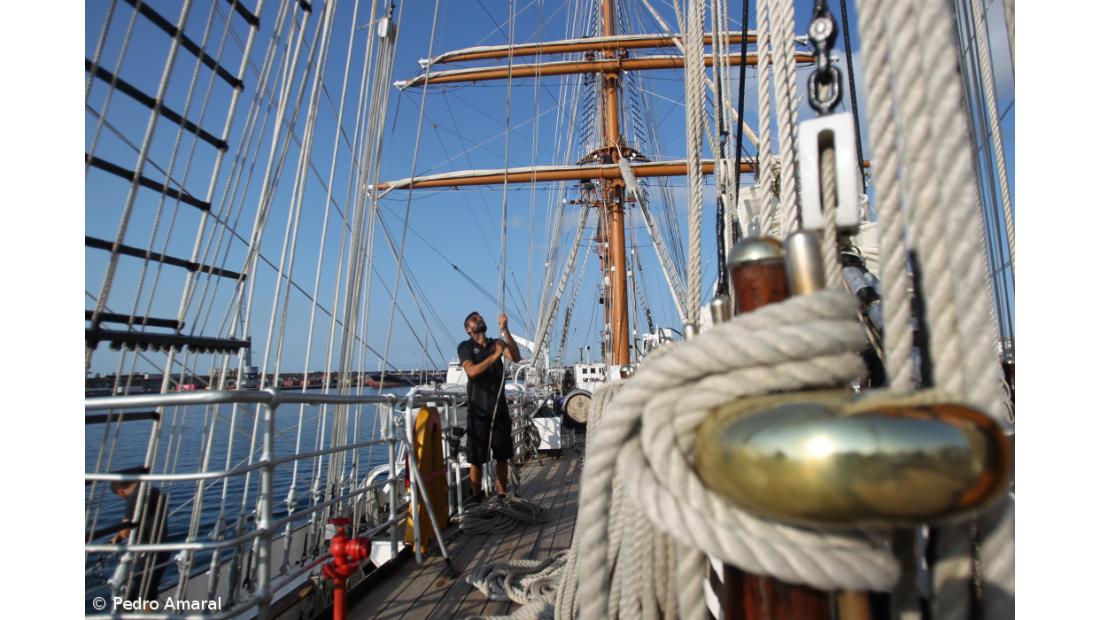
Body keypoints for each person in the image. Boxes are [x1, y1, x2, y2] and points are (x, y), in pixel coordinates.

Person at [457, 311, 521, 503]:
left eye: (480, 317)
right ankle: (477, 498)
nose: (479, 319)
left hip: (499, 410)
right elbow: (472, 371)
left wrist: (505, 331)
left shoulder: (496, 343)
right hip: (478, 411)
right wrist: (495, 356)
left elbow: (516, 357)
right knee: (476, 459)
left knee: (502, 455)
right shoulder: (466, 347)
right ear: (469, 330)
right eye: (474, 320)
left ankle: (501, 496)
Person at [111, 481, 169, 604]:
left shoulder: (134, 497)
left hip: (147, 552)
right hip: (163, 548)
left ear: (120, 492)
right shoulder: (154, 490)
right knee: (149, 591)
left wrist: (116, 539)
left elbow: (126, 530)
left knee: (139, 595)